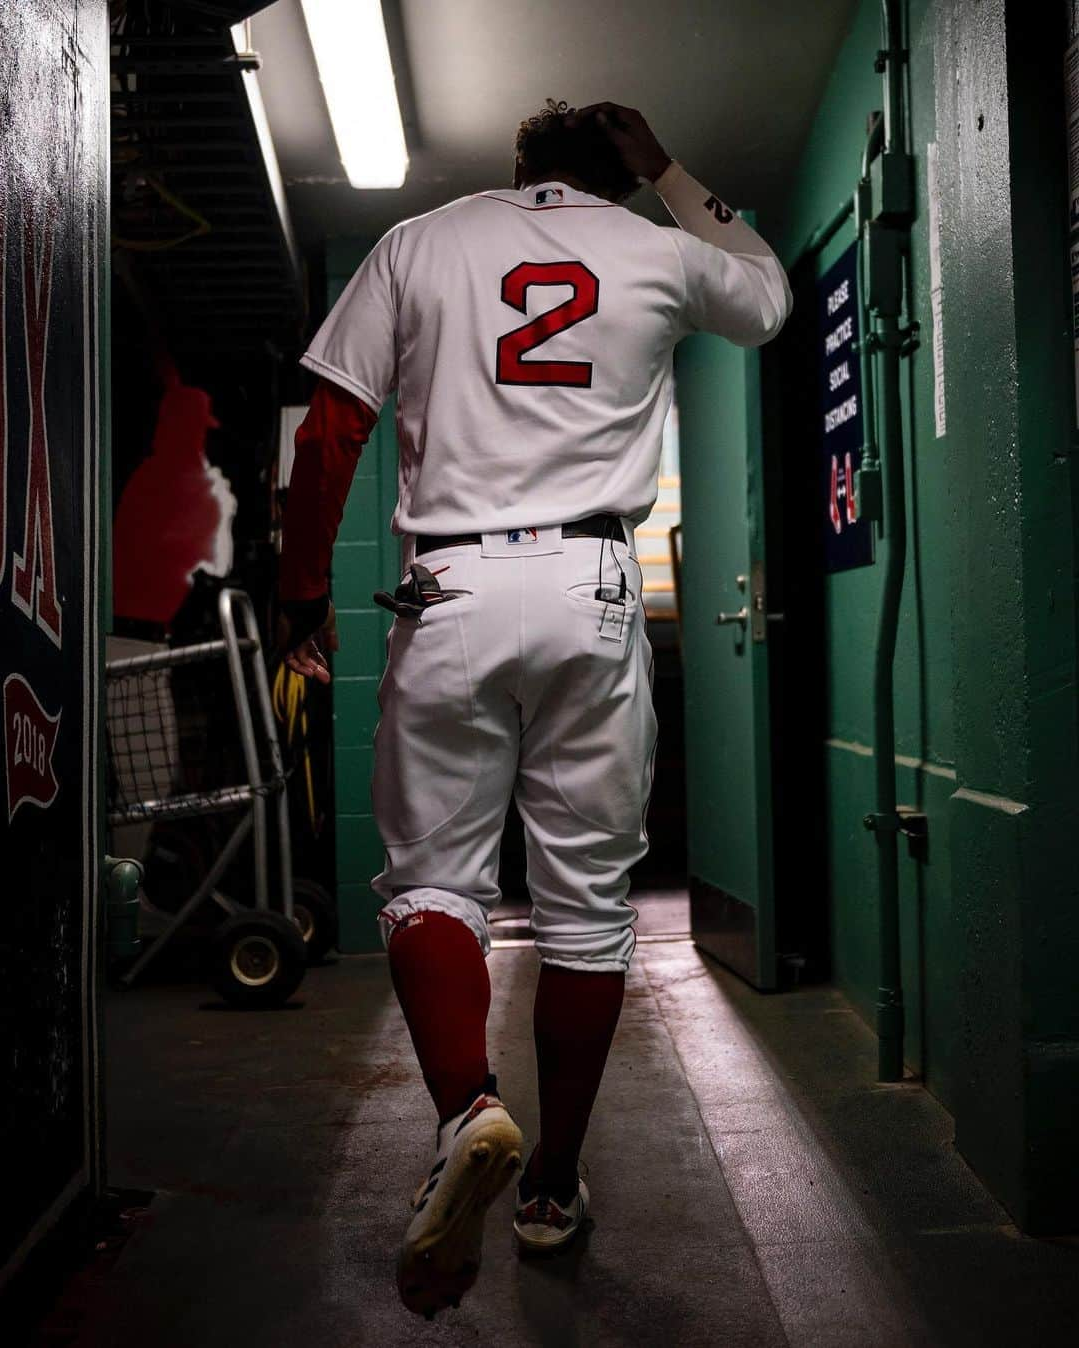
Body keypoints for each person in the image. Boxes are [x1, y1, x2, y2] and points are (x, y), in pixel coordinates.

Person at [276, 100, 791, 1319]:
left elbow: (335, 426)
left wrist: (302, 594)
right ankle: (554, 1185)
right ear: (613, 175)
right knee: (587, 907)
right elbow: (767, 295)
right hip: (594, 585)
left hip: (449, 583)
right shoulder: (658, 246)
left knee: (433, 881)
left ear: (517, 170)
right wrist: (670, 167)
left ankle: (467, 1107)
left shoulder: (420, 241)